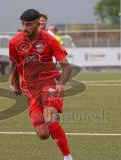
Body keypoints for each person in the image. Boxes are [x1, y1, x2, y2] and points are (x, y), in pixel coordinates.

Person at [9, 9, 73, 160]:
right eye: (23, 24)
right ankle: (53, 128)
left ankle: (68, 157)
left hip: (49, 84)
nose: (25, 28)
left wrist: (61, 84)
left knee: (50, 119)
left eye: (29, 24)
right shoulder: (14, 42)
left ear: (39, 24)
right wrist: (16, 86)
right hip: (31, 90)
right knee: (43, 134)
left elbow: (67, 67)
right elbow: (14, 66)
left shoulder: (50, 40)